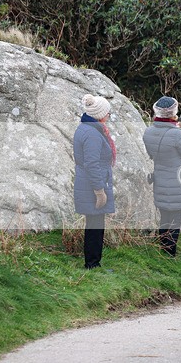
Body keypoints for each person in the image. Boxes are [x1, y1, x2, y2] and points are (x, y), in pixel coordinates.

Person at [142, 96, 181, 257]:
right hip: (177, 182)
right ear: (173, 113)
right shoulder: (176, 134)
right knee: (176, 220)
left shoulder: (148, 132)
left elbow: (151, 154)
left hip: (160, 180)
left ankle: (163, 250)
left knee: (164, 217)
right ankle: (170, 254)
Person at [73, 94, 115, 269]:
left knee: (93, 224)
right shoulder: (93, 134)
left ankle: (92, 262)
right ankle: (92, 264)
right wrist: (99, 191)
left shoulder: (86, 128)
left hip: (87, 183)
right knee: (95, 226)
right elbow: (92, 164)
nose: (109, 115)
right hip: (92, 186)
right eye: (107, 112)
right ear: (99, 114)